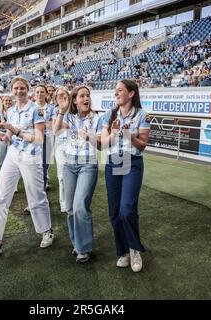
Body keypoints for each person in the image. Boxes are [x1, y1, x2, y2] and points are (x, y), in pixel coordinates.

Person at [0, 77, 54, 260]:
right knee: (1, 195)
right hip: (13, 154)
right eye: (16, 88)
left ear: (27, 90)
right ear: (12, 90)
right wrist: (4, 137)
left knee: (36, 196)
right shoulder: (11, 111)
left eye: (22, 88)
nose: (19, 91)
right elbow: (10, 136)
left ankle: (47, 230)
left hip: (31, 156)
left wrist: (16, 131)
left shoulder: (37, 110)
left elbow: (39, 139)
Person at [101, 80, 151, 273]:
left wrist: (129, 135)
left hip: (133, 163)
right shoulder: (109, 114)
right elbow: (103, 144)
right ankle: (122, 252)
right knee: (114, 212)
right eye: (115, 91)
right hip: (113, 162)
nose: (116, 93)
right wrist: (114, 133)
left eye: (120, 90)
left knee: (127, 209)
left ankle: (134, 249)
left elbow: (142, 146)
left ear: (131, 93)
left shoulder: (142, 115)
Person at [53, 85, 103, 263]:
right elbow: (56, 131)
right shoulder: (69, 117)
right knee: (71, 209)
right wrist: (61, 110)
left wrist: (89, 136)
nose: (86, 98)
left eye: (87, 95)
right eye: (81, 96)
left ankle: (84, 248)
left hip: (88, 166)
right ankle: (77, 244)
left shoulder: (97, 119)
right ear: (75, 100)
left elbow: (101, 144)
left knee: (81, 206)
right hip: (69, 165)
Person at [51, 87, 70, 213]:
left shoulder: (74, 108)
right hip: (60, 144)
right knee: (62, 175)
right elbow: (55, 129)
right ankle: (64, 203)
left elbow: (63, 125)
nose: (61, 97)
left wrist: (62, 124)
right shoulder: (55, 110)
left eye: (64, 94)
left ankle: (72, 199)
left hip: (74, 143)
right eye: (59, 95)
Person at [34, 85, 55, 191]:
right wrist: (45, 123)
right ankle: (33, 194)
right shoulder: (30, 107)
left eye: (42, 92)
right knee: (32, 166)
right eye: (37, 92)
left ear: (46, 94)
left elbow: (54, 124)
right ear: (34, 94)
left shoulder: (51, 108)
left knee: (44, 166)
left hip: (46, 139)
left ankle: (41, 192)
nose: (39, 94)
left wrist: (39, 124)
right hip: (32, 139)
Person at [0, 96, 13, 178]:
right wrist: (3, 123)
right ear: (3, 102)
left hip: (12, 136)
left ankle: (11, 182)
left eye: (9, 100)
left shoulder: (14, 111)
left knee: (12, 161)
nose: (8, 102)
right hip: (1, 136)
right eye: (6, 100)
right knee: (1, 159)